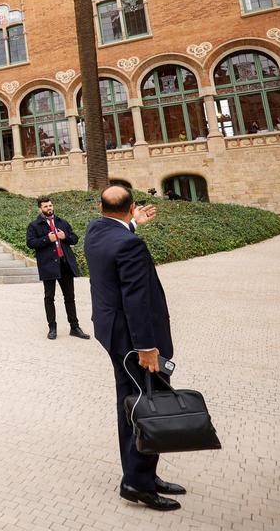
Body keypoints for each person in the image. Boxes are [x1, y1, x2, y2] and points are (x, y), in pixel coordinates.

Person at [84, 186, 185, 512]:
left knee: (131, 403)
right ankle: (137, 484)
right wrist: (146, 348)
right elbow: (137, 300)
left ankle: (142, 473)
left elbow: (115, 232)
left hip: (111, 333)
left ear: (102, 208)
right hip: (132, 340)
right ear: (131, 208)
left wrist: (133, 222)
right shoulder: (130, 245)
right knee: (145, 406)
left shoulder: (95, 231)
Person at [26, 197, 90, 340]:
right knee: (49, 297)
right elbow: (30, 243)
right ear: (40, 209)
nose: (49, 208)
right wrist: (47, 239)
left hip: (64, 264)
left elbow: (75, 239)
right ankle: (52, 328)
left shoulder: (62, 222)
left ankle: (74, 327)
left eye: (50, 205)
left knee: (70, 297)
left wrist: (64, 236)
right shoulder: (34, 225)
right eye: (45, 206)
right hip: (48, 265)